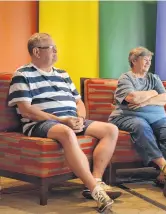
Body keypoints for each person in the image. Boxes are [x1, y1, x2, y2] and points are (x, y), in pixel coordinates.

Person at [7, 33, 121, 213]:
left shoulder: (63, 74)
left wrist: (80, 119)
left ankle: (97, 179)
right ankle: (95, 190)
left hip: (70, 120)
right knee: (66, 133)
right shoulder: (22, 74)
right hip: (40, 123)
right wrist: (62, 120)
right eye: (52, 48)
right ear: (37, 52)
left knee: (111, 129)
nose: (56, 51)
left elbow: (79, 102)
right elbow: (26, 110)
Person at [108, 47, 166, 186]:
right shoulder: (126, 78)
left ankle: (163, 175)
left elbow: (164, 98)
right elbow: (133, 97)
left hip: (157, 118)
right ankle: (164, 165)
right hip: (127, 117)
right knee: (141, 126)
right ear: (134, 61)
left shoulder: (154, 77)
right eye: (145, 59)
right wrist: (153, 92)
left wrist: (145, 99)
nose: (148, 63)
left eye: (150, 60)